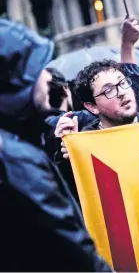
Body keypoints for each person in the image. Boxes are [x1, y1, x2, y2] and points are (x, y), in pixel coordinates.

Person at [0, 19, 111, 271]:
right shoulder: (17, 159)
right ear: (17, 80)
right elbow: (78, 254)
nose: (45, 76)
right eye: (38, 66)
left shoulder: (16, 144)